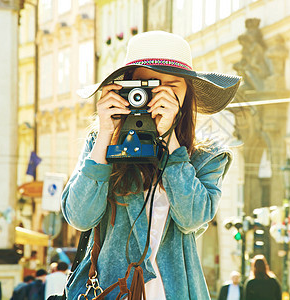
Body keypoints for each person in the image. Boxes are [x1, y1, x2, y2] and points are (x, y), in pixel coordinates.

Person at [61, 30, 241, 300]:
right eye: (150, 84)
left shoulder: (206, 156)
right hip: (111, 291)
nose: (160, 95)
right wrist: (104, 137)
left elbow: (192, 218)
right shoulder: (101, 145)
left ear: (186, 95)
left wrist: (171, 143)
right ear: (129, 87)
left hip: (174, 292)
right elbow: (79, 216)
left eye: (172, 87)